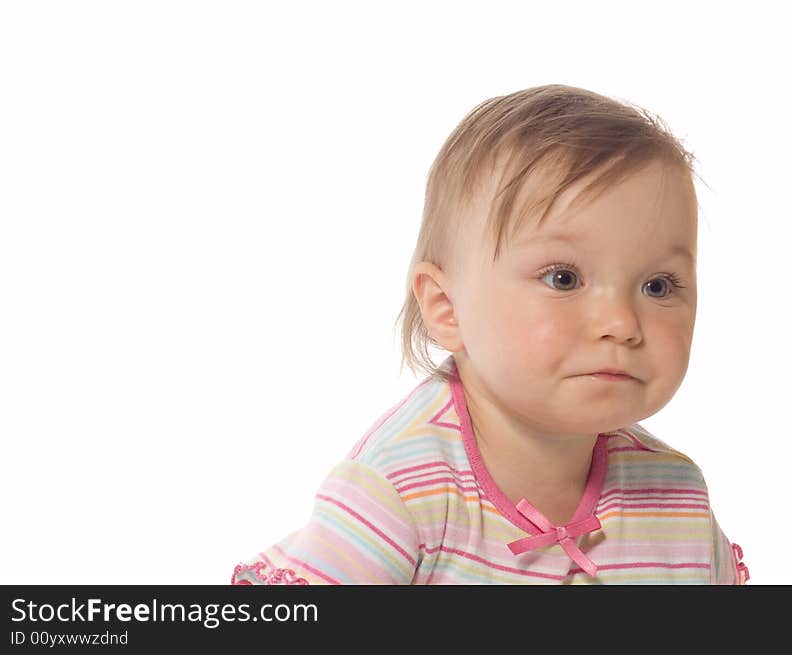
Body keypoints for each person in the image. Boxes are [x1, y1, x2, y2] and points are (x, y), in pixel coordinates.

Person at [231, 83, 749, 585]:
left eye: (658, 286)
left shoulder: (677, 500)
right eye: (563, 278)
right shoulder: (400, 491)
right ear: (446, 307)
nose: (621, 323)